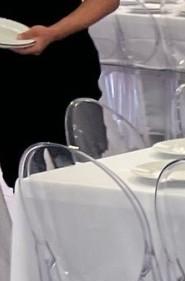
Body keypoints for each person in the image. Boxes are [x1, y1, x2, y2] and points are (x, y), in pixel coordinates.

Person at [0, 0, 120, 186]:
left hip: (66, 69)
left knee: (84, 170)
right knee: (22, 177)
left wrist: (54, 32)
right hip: (9, 80)